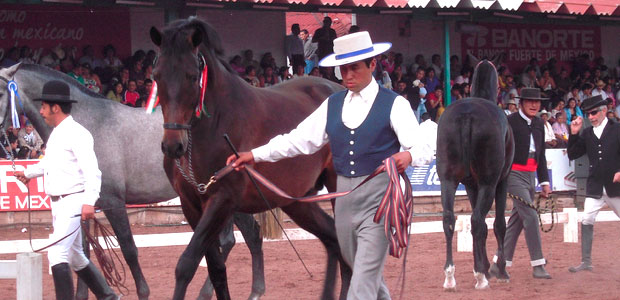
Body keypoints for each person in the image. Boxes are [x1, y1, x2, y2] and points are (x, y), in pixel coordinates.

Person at [227, 31, 433, 299]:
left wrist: (409, 156)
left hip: (380, 201)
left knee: (362, 284)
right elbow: (299, 140)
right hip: (345, 204)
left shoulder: (395, 104)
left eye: (354, 68)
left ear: (372, 64)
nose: (347, 75)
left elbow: (424, 146)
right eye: (342, 69)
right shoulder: (332, 104)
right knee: (365, 273)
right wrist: (254, 155)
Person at [13, 80, 118, 300]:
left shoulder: (77, 133)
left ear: (56, 107)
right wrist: (28, 173)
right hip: (60, 203)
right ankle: (109, 297)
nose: (40, 111)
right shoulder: (57, 133)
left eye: (43, 106)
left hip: (73, 200)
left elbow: (92, 170)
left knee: (57, 253)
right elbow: (48, 164)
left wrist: (90, 200)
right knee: (76, 256)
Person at [490, 87, 553, 280]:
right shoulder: (509, 122)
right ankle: (538, 264)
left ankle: (498, 265)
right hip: (512, 174)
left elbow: (541, 154)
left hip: (531, 177)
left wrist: (544, 182)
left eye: (537, 102)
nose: (534, 105)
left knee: (516, 222)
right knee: (532, 217)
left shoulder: (539, 125)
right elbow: (498, 149)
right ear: (521, 103)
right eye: (530, 101)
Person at [567, 95, 620, 273]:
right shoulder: (587, 133)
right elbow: (573, 154)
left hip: (616, 187)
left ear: (604, 111)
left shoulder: (617, 129)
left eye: (593, 113)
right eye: (588, 114)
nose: (590, 117)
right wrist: (574, 133)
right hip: (596, 185)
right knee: (587, 218)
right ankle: (586, 261)